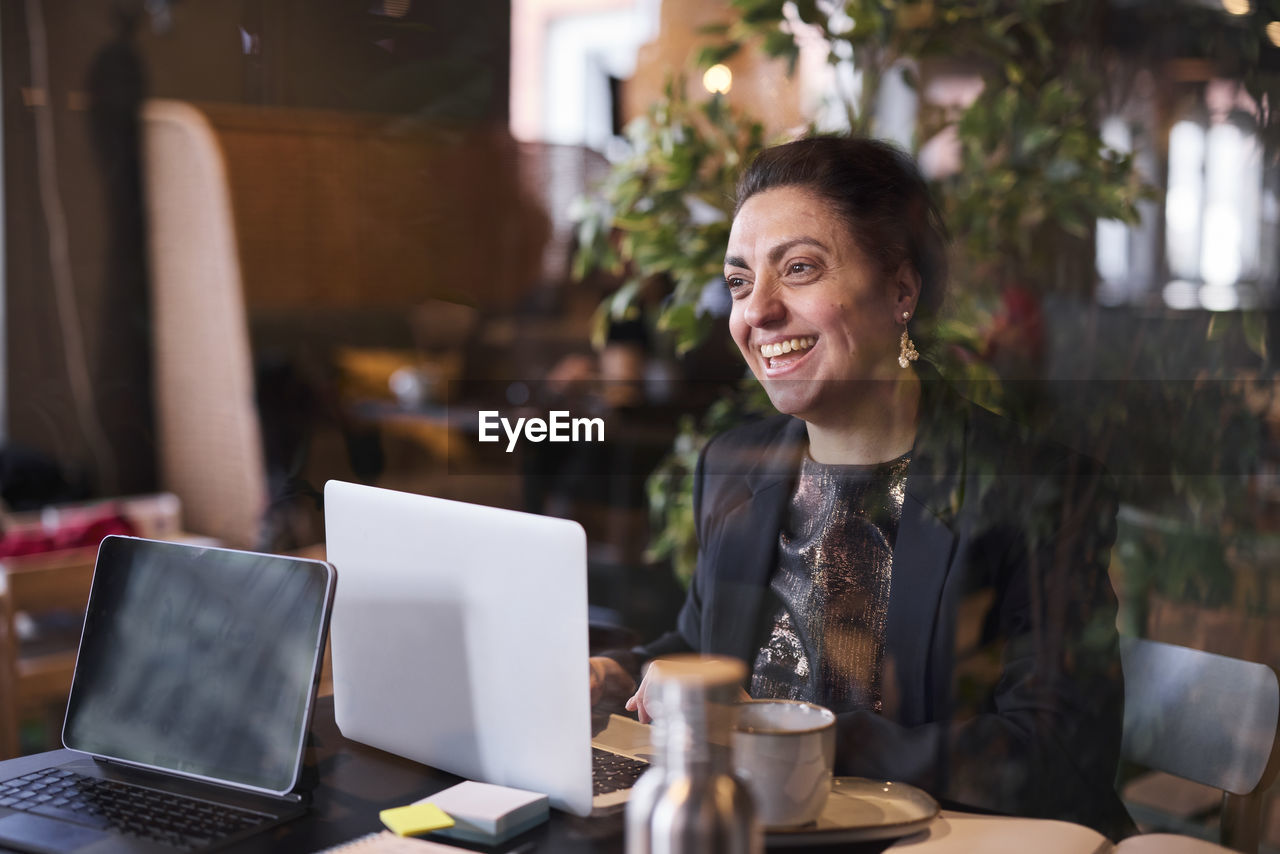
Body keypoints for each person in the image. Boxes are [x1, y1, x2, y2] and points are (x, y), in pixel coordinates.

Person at [588, 136, 1136, 839]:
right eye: (738, 282)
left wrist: (780, 731)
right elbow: (705, 650)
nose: (757, 312)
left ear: (900, 291)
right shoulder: (735, 467)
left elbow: (1056, 754)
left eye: (800, 269)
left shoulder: (1038, 490)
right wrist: (621, 672)